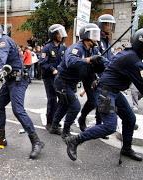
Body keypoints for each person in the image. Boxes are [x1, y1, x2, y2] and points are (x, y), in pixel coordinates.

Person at [65, 28, 143, 162]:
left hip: (114, 91)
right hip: (106, 92)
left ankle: (126, 148)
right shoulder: (133, 59)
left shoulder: (131, 55)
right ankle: (75, 140)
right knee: (109, 126)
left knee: (130, 119)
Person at [0, 20, 44, 160]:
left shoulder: (4, 41)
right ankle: (1, 137)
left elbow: (1, 58)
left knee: (18, 110)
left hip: (18, 80)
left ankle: (37, 141)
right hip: (10, 79)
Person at [49, 23, 102, 139]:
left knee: (64, 105)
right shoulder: (76, 48)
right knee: (75, 106)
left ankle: (53, 127)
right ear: (86, 36)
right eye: (93, 34)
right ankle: (66, 131)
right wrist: (89, 60)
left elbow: (93, 65)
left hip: (71, 83)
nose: (96, 37)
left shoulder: (91, 49)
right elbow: (71, 62)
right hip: (63, 82)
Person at [78, 14, 116, 131]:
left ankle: (100, 125)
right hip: (92, 75)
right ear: (101, 25)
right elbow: (95, 58)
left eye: (110, 24)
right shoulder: (95, 40)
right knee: (94, 101)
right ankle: (82, 117)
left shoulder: (107, 41)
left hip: (104, 75)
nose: (109, 27)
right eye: (107, 24)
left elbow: (109, 58)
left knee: (104, 100)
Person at [39, 24, 67, 131]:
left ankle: (56, 120)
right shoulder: (47, 48)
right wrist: (52, 69)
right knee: (52, 99)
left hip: (60, 77)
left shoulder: (63, 47)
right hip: (49, 77)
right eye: (59, 33)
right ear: (54, 34)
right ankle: (49, 122)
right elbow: (42, 62)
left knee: (62, 98)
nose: (61, 35)